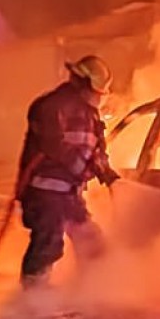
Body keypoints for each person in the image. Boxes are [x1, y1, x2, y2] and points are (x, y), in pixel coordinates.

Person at [16, 55, 118, 287]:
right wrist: (81, 167)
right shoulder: (52, 107)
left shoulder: (90, 115)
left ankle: (89, 291)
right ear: (82, 84)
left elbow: (96, 151)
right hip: (45, 193)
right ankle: (32, 300)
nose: (99, 97)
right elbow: (55, 145)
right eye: (96, 91)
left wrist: (108, 175)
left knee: (93, 244)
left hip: (68, 195)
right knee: (48, 245)